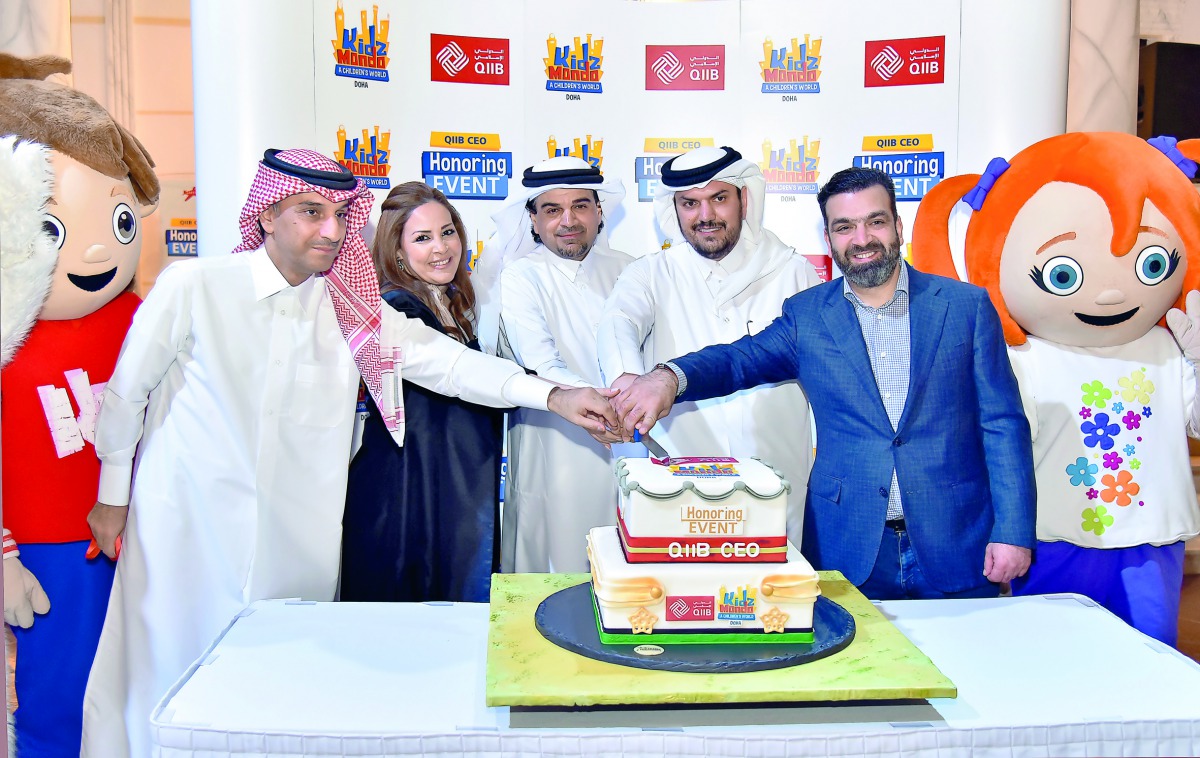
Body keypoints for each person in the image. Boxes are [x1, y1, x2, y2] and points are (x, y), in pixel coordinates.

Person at [80, 148, 617, 757]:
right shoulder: (195, 286)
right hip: (185, 531)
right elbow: (127, 396)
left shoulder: (355, 313)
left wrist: (555, 395)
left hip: (295, 547)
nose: (331, 230)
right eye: (311, 212)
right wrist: (111, 498)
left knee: (278, 692)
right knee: (162, 675)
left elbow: (453, 366)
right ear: (267, 215)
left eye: (340, 213)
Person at [613, 166, 1036, 601]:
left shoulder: (964, 307)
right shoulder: (809, 316)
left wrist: (1014, 530)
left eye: (875, 221)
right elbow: (737, 360)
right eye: (844, 227)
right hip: (848, 549)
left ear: (898, 226)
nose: (862, 239)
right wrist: (667, 378)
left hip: (960, 543)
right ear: (830, 240)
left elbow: (1003, 425)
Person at [911, 132, 1200, 644]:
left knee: (1151, 662)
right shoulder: (1022, 357)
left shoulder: (1169, 348)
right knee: (1049, 660)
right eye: (1063, 273)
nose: (1111, 291)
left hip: (1151, 539)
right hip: (1054, 537)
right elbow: (999, 452)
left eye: (1149, 263)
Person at [0, 52, 158, 757]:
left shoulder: (140, 315)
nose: (99, 248)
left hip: (139, 528)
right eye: (57, 230)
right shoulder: (9, 334)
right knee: (58, 689)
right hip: (47, 545)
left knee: (141, 679)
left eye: (122, 223)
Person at [596, 146, 821, 543]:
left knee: (773, 599)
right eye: (690, 203)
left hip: (777, 480)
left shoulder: (791, 271)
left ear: (743, 199)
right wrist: (627, 380)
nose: (705, 216)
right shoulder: (652, 272)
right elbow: (618, 322)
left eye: (719, 198)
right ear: (674, 208)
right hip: (682, 483)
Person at [341, 181, 505, 602]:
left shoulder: (451, 303)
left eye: (447, 232)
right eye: (422, 237)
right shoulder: (397, 306)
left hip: (444, 485)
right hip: (406, 494)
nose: (441, 248)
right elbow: (460, 375)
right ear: (397, 251)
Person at [477, 157, 635, 572]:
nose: (569, 220)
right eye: (552, 209)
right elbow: (541, 361)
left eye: (581, 205)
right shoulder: (519, 276)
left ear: (599, 211)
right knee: (555, 559)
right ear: (532, 219)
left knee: (628, 559)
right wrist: (610, 408)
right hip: (554, 440)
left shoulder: (630, 269)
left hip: (630, 439)